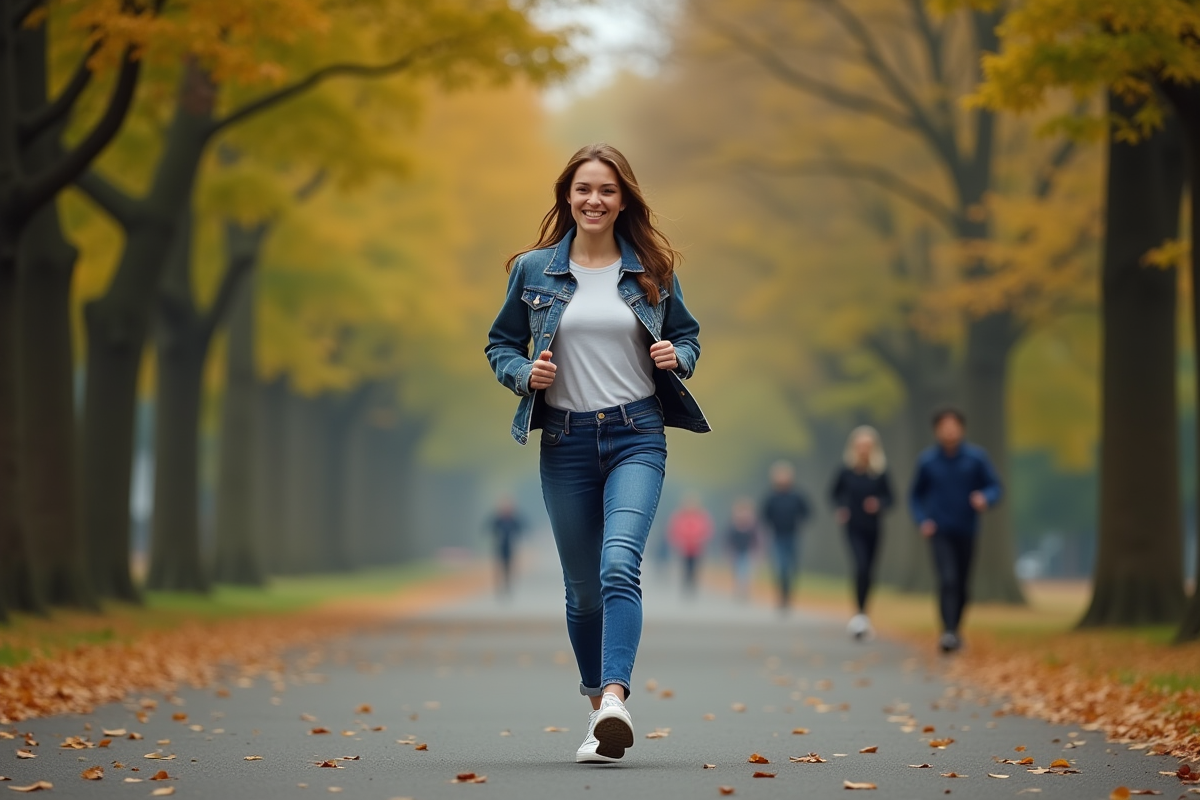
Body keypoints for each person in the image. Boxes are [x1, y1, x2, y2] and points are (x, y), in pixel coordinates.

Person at [485, 143, 710, 764]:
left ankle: (615, 699)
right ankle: (597, 710)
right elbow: (500, 344)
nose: (594, 200)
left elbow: (687, 335)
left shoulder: (653, 270)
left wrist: (678, 356)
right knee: (583, 592)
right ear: (567, 196)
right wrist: (523, 373)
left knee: (618, 564)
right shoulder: (532, 270)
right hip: (565, 441)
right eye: (584, 188)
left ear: (623, 200)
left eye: (607, 190)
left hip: (638, 434)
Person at [909, 407, 1002, 653]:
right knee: (947, 579)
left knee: (962, 583)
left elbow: (995, 486)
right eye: (944, 427)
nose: (949, 431)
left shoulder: (976, 459)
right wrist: (922, 520)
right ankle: (947, 632)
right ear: (936, 431)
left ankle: (956, 629)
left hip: (967, 529)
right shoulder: (927, 462)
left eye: (954, 426)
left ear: (962, 429)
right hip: (939, 530)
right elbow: (915, 496)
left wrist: (985, 497)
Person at [830, 426, 893, 641]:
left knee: (870, 570)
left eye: (868, 446)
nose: (864, 450)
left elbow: (891, 498)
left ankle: (864, 613)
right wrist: (841, 508)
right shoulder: (845, 472)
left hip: (874, 528)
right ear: (854, 448)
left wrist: (879, 504)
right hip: (853, 527)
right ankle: (858, 614)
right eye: (860, 446)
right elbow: (834, 494)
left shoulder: (880, 473)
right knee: (861, 566)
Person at [760, 460, 811, 611]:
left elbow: (807, 512)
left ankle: (788, 595)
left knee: (792, 567)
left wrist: (800, 523)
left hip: (793, 535)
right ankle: (781, 596)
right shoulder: (771, 496)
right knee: (781, 566)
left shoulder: (797, 496)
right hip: (777, 536)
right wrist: (769, 526)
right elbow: (764, 515)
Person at [667, 494, 714, 596]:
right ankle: (686, 584)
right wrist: (678, 541)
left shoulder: (701, 516)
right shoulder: (680, 516)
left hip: (697, 548)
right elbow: (674, 530)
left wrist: (700, 540)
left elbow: (707, 530)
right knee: (685, 567)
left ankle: (692, 584)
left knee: (694, 567)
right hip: (684, 548)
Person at [488, 497, 525, 596]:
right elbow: (491, 529)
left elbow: (520, 529)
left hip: (510, 547)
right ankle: (499, 587)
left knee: (509, 567)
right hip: (499, 547)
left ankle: (507, 585)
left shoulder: (513, 520)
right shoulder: (498, 520)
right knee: (499, 567)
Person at [726, 498, 758, 600]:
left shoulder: (751, 526)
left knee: (746, 571)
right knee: (738, 570)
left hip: (748, 551)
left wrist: (756, 550)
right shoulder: (733, 526)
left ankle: (745, 590)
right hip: (736, 552)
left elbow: (755, 539)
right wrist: (730, 551)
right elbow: (729, 539)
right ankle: (739, 588)